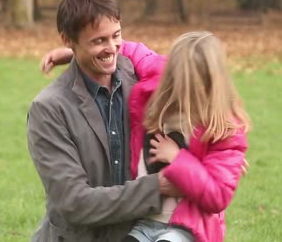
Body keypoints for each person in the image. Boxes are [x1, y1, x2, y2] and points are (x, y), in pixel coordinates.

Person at [42, 32, 250, 242]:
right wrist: (74, 53)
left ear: (210, 85)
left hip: (186, 227)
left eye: (186, 86)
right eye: (172, 77)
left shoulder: (224, 128)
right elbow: (127, 49)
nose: (176, 88)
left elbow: (218, 196)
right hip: (144, 220)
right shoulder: (158, 74)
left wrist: (178, 159)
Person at [27, 0, 183, 242]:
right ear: (68, 40)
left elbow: (202, 88)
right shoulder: (48, 109)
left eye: (116, 35)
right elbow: (74, 202)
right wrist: (158, 187)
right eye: (99, 40)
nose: (112, 48)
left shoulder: (140, 79)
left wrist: (218, 147)